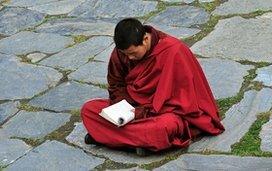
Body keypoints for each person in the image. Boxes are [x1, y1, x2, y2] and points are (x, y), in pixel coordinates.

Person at [81, 18, 224, 155]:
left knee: (163, 128)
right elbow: (116, 83)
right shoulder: (121, 53)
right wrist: (122, 108)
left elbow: (183, 102)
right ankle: (135, 143)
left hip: (161, 112)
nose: (129, 58)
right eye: (125, 54)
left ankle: (108, 138)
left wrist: (140, 112)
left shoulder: (174, 51)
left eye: (132, 53)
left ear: (145, 39)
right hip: (132, 108)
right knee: (89, 110)